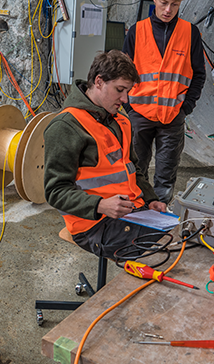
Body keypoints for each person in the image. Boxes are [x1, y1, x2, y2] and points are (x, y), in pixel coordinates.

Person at [43, 50, 167, 259]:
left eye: (127, 91)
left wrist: (151, 198)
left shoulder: (120, 120)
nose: (125, 99)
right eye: (120, 90)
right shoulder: (66, 126)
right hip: (92, 224)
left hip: (132, 210)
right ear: (99, 82)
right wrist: (100, 205)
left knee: (178, 235)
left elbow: (132, 167)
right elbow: (55, 191)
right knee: (162, 252)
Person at [122, 0, 206, 204]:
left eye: (175, 4)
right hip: (139, 114)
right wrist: (128, 106)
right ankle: (137, 210)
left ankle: (159, 214)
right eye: (164, 2)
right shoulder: (136, 32)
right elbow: (122, 72)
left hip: (173, 115)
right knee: (135, 168)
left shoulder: (190, 33)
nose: (169, 9)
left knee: (166, 172)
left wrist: (186, 107)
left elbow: (198, 74)